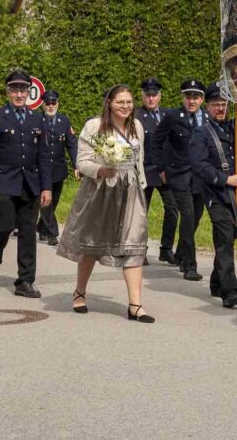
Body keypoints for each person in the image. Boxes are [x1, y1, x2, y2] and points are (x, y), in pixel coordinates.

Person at [57, 84, 153, 322]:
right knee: (92, 243)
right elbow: (82, 162)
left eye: (129, 102)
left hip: (130, 193)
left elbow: (139, 160)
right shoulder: (94, 125)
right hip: (101, 190)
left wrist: (141, 184)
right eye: (120, 102)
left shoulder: (137, 126)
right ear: (109, 102)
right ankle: (80, 292)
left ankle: (135, 305)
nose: (125, 107)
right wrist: (102, 169)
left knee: (134, 244)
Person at [0, 69, 52, 298]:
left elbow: (43, 155)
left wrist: (46, 186)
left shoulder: (37, 118)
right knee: (3, 227)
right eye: (14, 89)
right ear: (8, 91)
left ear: (29, 92)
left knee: (28, 232)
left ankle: (25, 281)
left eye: (23, 90)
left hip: (30, 183)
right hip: (4, 183)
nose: (19, 94)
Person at [191, 82, 237, 308]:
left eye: (223, 104)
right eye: (215, 105)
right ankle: (229, 292)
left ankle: (216, 282)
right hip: (217, 194)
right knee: (224, 241)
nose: (220, 109)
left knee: (228, 239)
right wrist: (224, 179)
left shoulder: (235, 127)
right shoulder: (201, 133)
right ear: (207, 107)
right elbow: (199, 165)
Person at [152, 79, 209, 282]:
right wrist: (161, 168)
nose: (191, 101)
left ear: (202, 99)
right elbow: (156, 141)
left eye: (195, 97)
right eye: (188, 97)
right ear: (183, 98)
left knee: (195, 218)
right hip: (179, 175)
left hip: (201, 178)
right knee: (188, 216)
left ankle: (180, 254)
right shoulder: (173, 117)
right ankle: (190, 266)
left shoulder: (209, 117)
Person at [135, 77, 180, 265]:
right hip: (145, 170)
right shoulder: (136, 116)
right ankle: (139, 250)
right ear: (142, 96)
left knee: (172, 209)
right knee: (140, 212)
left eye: (154, 95)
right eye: (148, 95)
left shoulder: (168, 114)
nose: (151, 98)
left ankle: (166, 248)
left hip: (165, 171)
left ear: (159, 96)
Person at [37, 90, 77, 247]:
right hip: (41, 169)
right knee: (46, 200)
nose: (51, 106)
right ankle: (52, 234)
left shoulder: (64, 121)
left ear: (58, 104)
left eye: (54, 103)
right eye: (48, 103)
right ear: (43, 105)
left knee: (54, 201)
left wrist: (76, 165)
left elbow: (71, 144)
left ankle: (40, 227)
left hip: (58, 168)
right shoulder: (37, 120)